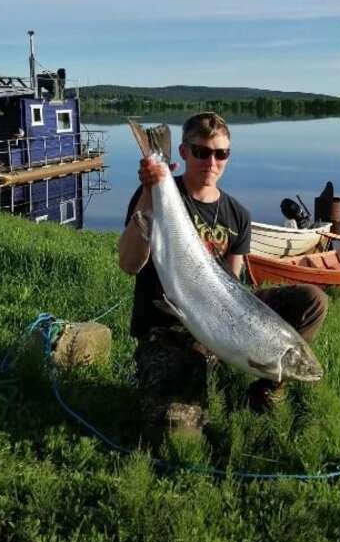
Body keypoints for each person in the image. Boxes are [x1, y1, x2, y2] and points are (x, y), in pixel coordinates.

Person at [118, 111, 328, 439]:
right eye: (201, 152)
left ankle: (267, 384)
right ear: (184, 152)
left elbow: (234, 283)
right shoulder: (159, 193)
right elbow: (130, 264)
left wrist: (232, 332)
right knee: (178, 435)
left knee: (312, 302)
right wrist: (148, 190)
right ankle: (194, 364)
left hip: (218, 306)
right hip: (167, 324)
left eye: (221, 153)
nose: (211, 162)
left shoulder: (238, 215)